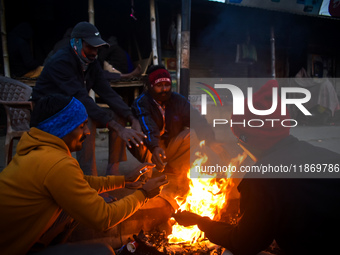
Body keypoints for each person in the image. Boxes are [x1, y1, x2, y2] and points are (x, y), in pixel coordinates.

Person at [174, 80, 340, 255]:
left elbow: (244, 243)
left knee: (230, 252)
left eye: (239, 139)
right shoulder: (324, 155)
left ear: (247, 140)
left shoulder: (261, 179)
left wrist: (202, 222)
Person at [0, 94, 168, 255]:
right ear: (62, 128)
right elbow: (103, 218)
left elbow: (79, 182)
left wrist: (124, 180)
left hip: (18, 239)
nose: (88, 132)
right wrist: (144, 194)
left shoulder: (39, 151)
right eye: (82, 126)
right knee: (103, 252)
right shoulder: (56, 164)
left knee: (75, 208)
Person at [32, 21, 144, 176]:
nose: (94, 52)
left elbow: (108, 92)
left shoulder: (91, 62)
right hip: (48, 113)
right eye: (90, 47)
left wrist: (132, 117)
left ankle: (113, 172)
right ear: (76, 43)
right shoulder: (62, 62)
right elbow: (81, 98)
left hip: (71, 108)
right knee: (85, 118)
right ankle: (89, 177)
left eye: (97, 48)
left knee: (117, 115)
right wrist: (118, 129)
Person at [129, 65, 225, 175]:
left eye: (167, 85)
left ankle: (173, 169)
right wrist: (154, 147)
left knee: (192, 135)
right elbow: (148, 126)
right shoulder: (142, 102)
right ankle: (146, 174)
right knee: (142, 134)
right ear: (150, 86)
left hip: (169, 145)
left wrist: (211, 140)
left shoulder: (177, 99)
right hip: (149, 146)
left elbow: (196, 119)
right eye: (159, 85)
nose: (164, 89)